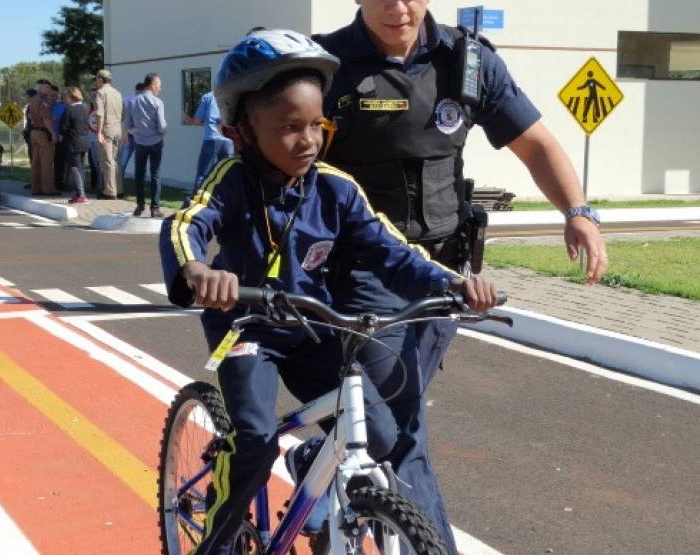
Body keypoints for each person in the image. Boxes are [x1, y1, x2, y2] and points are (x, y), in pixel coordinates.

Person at [158, 29, 496, 554]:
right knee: (252, 441)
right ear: (243, 131)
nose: (308, 140)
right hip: (248, 329)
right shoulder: (229, 179)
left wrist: (452, 283)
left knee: (381, 436)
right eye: (289, 127)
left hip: (313, 325)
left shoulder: (336, 187)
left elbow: (393, 250)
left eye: (317, 125)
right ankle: (217, 545)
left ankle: (308, 459)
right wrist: (198, 269)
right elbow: (186, 225)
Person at [311, 2, 609, 551]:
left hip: (448, 275)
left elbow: (536, 143)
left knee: (391, 419)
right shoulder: (325, 64)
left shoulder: (468, 62)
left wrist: (578, 212)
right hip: (360, 273)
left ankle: (328, 468)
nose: (397, 7)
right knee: (397, 430)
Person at [125, 72, 167, 217]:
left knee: (139, 174)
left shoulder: (132, 101)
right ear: (153, 85)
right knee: (155, 174)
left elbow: (128, 124)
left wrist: (137, 131)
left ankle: (140, 205)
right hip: (156, 142)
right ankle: (155, 208)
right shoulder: (158, 102)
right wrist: (163, 133)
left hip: (139, 142)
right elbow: (162, 126)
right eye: (158, 86)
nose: (159, 89)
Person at [187, 90, 234, 192]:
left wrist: (188, 120)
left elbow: (197, 120)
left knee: (202, 174)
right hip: (228, 140)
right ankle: (226, 203)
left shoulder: (208, 97)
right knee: (228, 174)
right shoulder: (231, 95)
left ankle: (196, 203)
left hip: (211, 138)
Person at [93, 69, 124, 199]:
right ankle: (119, 189)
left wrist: (99, 132)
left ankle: (110, 191)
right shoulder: (117, 93)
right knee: (115, 160)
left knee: (107, 161)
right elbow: (123, 114)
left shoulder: (100, 93)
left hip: (107, 128)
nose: (96, 81)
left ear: (101, 79)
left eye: (96, 78)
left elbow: (99, 114)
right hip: (117, 127)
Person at [59, 87, 91, 204]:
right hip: (84, 140)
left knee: (75, 168)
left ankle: (82, 194)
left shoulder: (69, 110)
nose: (64, 99)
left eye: (66, 96)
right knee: (80, 167)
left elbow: (63, 127)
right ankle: (79, 193)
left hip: (72, 142)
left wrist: (60, 136)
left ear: (71, 96)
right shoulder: (85, 108)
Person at [27, 79, 57, 195]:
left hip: (34, 132)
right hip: (43, 133)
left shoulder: (32, 100)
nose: (49, 90)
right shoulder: (43, 100)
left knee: (36, 162)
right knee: (46, 162)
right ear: (41, 88)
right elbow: (45, 118)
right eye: (47, 88)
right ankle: (48, 189)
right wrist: (52, 133)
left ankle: (36, 188)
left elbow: (30, 116)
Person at [119, 82, 145, 176]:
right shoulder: (127, 100)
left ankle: (119, 185)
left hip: (134, 135)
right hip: (132, 135)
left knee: (125, 162)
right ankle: (119, 185)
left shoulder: (126, 100)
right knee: (124, 162)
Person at [51, 86, 67, 191]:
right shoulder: (47, 107)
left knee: (60, 162)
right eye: (52, 95)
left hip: (61, 138)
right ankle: (50, 182)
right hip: (49, 137)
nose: (54, 97)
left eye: (56, 95)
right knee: (49, 161)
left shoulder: (64, 107)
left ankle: (59, 183)